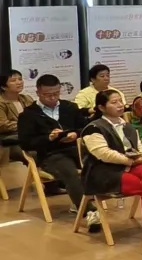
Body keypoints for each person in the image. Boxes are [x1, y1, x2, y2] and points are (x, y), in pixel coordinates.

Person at [81, 90, 142, 245]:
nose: (120, 105)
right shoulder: (93, 128)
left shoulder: (127, 125)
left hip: (130, 165)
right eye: (114, 102)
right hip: (103, 172)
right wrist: (130, 162)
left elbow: (139, 146)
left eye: (120, 101)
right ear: (101, 107)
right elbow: (104, 154)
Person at [18, 74, 100, 232]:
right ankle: (89, 211)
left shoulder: (69, 107)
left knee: (98, 162)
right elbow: (25, 143)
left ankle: (83, 201)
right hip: (51, 154)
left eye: (56, 93)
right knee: (70, 172)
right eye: (47, 95)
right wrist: (48, 138)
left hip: (75, 149)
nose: (52, 98)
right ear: (38, 92)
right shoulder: (28, 115)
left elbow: (85, 127)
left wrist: (75, 134)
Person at [0, 70, 34, 165]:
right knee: (32, 154)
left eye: (20, 79)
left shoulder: (27, 99)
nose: (19, 82)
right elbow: (2, 125)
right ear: (3, 87)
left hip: (29, 136)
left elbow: (37, 117)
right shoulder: (1, 102)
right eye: (13, 80)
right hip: (10, 141)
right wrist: (25, 125)